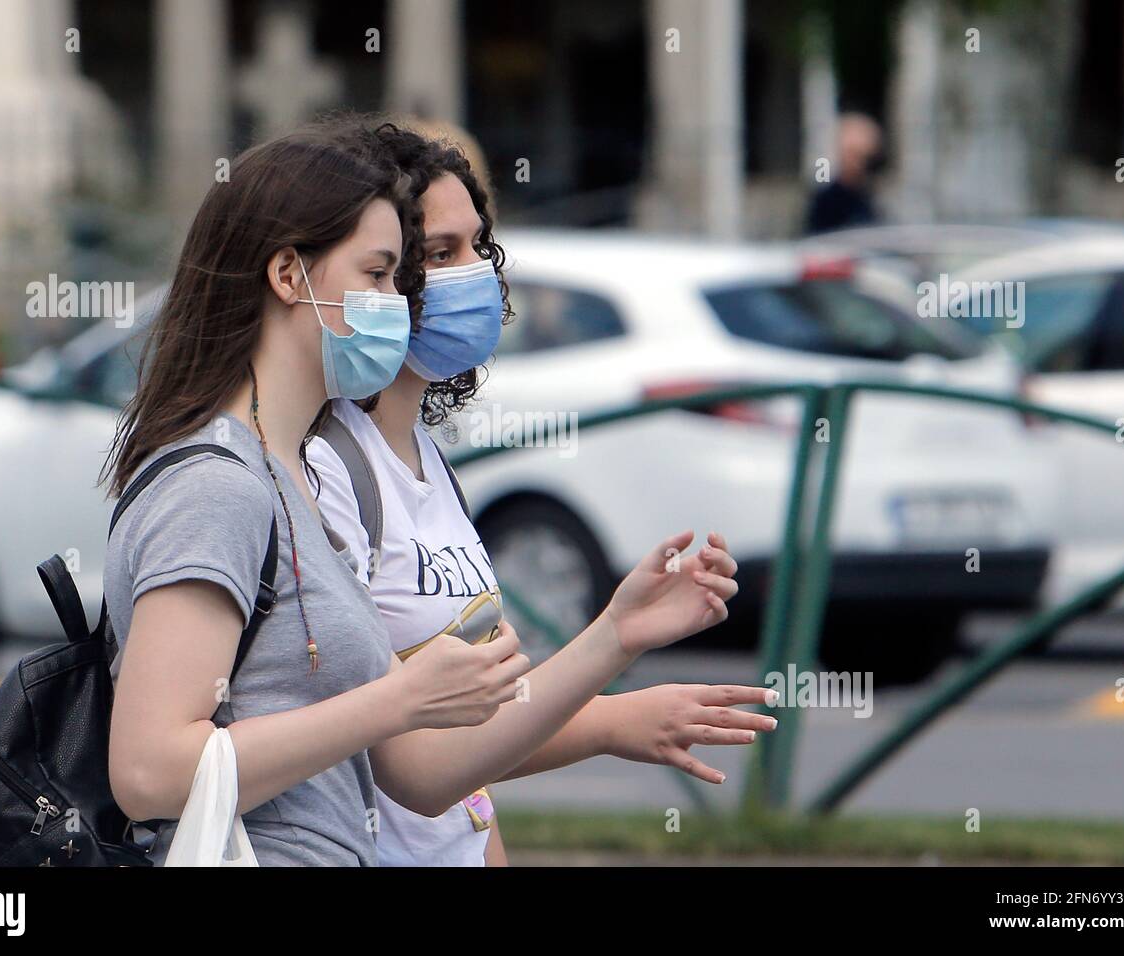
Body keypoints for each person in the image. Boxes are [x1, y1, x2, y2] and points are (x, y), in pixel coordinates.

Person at [100, 124, 769, 866]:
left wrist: (617, 634)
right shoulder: (218, 484)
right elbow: (147, 772)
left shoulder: (280, 469)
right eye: (385, 273)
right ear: (289, 277)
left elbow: (420, 771)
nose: (403, 300)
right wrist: (397, 701)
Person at [305, 120, 779, 866]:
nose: (476, 275)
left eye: (478, 248)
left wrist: (616, 719)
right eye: (439, 254)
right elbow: (412, 770)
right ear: (381, 272)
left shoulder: (424, 455)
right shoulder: (329, 469)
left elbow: (467, 759)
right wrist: (613, 642)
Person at [803, 112, 884, 235]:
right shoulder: (826, 200)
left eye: (864, 157)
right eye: (853, 154)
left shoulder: (867, 196)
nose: (858, 163)